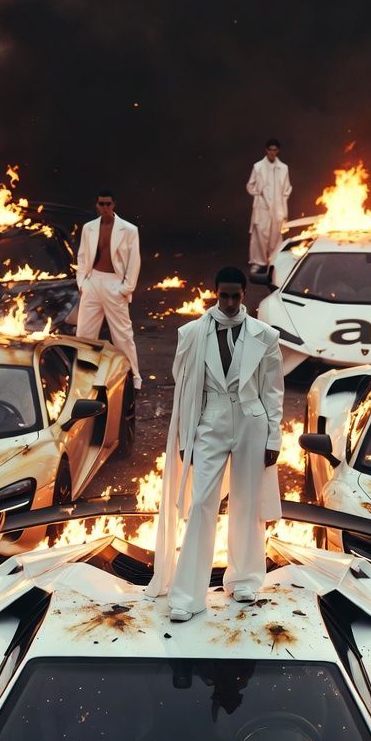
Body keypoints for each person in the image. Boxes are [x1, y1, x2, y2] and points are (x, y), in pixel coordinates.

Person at [146, 266, 284, 622]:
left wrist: (273, 436)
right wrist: (183, 438)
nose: (229, 303)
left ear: (245, 295)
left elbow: (273, 391)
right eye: (223, 296)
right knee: (202, 501)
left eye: (236, 296)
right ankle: (187, 595)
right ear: (214, 293)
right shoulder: (192, 333)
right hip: (211, 420)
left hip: (252, 422)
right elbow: (184, 389)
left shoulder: (265, 335)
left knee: (247, 502)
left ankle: (244, 579)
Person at [75, 189, 143, 389]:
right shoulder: (89, 228)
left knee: (123, 335)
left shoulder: (129, 230)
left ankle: (135, 378)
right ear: (97, 205)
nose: (104, 208)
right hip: (93, 281)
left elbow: (134, 261)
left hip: (115, 283)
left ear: (114, 205)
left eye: (108, 204)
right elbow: (82, 256)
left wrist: (126, 288)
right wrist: (83, 283)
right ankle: (82, 377)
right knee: (85, 334)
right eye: (101, 204)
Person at [246, 139, 292, 272]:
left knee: (275, 234)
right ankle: (258, 262)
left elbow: (287, 189)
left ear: (278, 151)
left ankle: (274, 260)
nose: (272, 152)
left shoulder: (283, 168)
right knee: (260, 232)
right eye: (270, 150)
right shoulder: (258, 167)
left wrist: (284, 209)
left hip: (278, 206)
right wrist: (257, 193)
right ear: (266, 150)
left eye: (275, 150)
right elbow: (250, 185)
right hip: (262, 206)